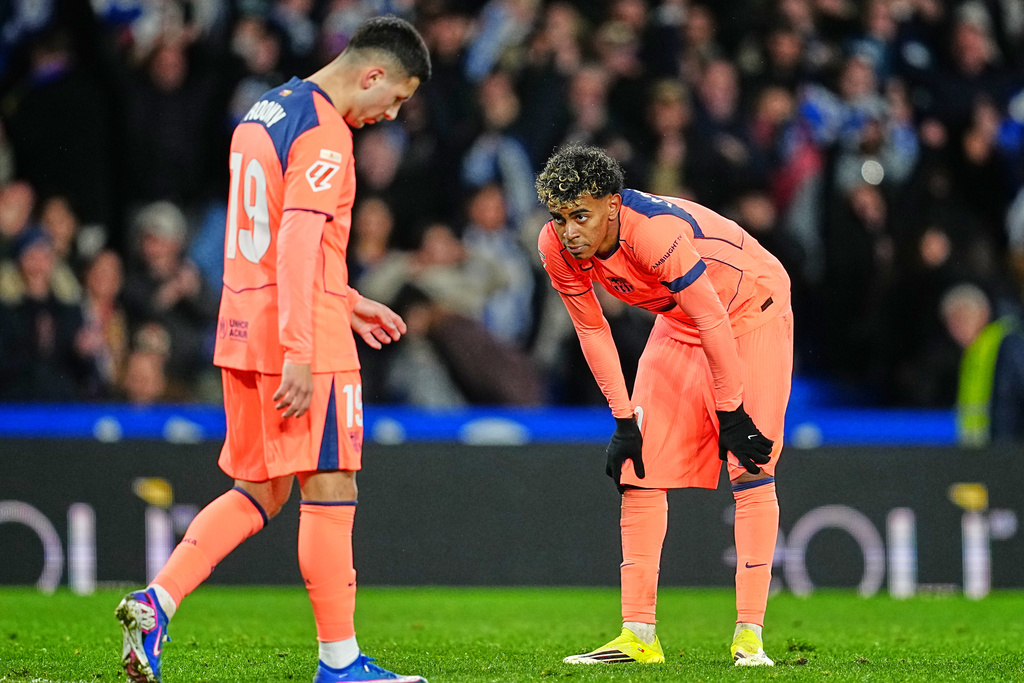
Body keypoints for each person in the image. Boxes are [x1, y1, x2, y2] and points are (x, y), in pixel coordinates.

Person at [114, 15, 431, 683]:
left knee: (259, 487)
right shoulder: (327, 133)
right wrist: (302, 345)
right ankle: (340, 664)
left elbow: (265, 235)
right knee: (331, 481)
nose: (390, 113)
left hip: (242, 323)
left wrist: (347, 297)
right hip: (299, 333)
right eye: (395, 97)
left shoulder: (263, 109)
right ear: (372, 74)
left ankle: (157, 600)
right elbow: (292, 240)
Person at [535, 144, 792, 667]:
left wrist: (731, 410)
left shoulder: (654, 232)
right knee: (638, 466)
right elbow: (591, 329)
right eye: (560, 218)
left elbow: (715, 320)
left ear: (611, 204)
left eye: (580, 215)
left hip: (750, 310)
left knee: (751, 465)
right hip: (681, 322)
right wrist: (623, 417)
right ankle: (638, 636)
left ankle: (750, 637)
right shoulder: (555, 246)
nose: (569, 231)